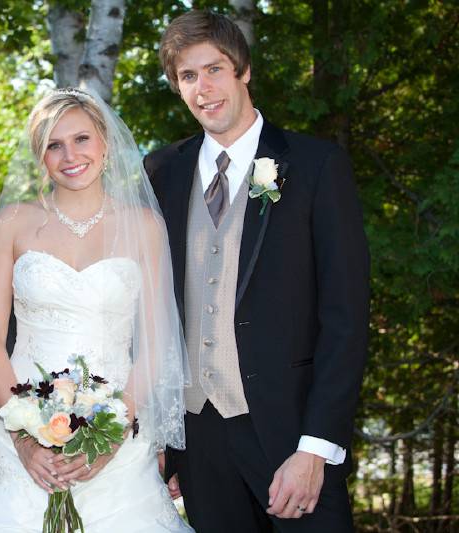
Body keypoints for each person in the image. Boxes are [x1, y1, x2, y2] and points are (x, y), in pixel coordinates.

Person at [145, 10, 370, 533]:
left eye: (214, 69)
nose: (204, 88)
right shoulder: (161, 173)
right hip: (197, 440)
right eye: (187, 76)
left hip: (292, 434)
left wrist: (315, 447)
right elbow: (149, 311)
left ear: (243, 69)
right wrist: (161, 438)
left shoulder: (316, 167)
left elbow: (346, 317)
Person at [0, 88, 192, 532]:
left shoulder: (144, 226)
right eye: (54, 145)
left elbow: (156, 344)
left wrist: (112, 436)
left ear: (104, 141)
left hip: (117, 430)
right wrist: (23, 438)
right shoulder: (12, 224)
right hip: (18, 424)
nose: (69, 155)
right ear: (40, 156)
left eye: (81, 139)